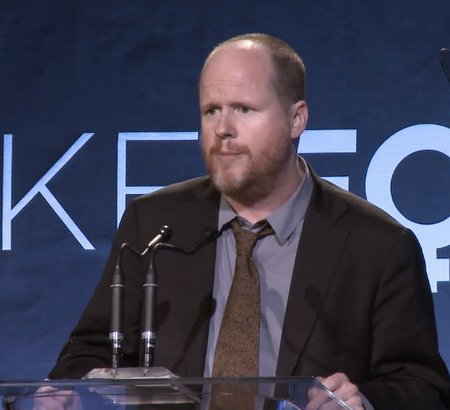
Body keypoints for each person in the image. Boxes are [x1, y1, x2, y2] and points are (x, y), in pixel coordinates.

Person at [48, 33, 450, 409]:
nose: (223, 129)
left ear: (296, 119)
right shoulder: (154, 223)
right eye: (211, 111)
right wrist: (67, 391)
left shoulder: (377, 244)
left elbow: (423, 386)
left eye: (244, 109)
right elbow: (88, 353)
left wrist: (360, 399)